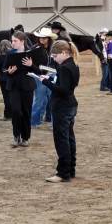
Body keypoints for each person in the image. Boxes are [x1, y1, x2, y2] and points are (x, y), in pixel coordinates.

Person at [39, 40, 80, 183]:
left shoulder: (64, 68)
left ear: (63, 53)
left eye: (55, 56)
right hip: (70, 105)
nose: (54, 59)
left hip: (62, 106)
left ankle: (63, 173)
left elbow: (63, 90)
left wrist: (46, 82)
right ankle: (70, 169)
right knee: (69, 138)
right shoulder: (73, 65)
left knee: (62, 140)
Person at [5, 31, 36, 147]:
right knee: (16, 111)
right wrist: (9, 72)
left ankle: (25, 137)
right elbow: (4, 69)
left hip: (27, 86)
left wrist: (31, 65)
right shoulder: (9, 53)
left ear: (22, 41)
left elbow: (38, 71)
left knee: (26, 112)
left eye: (15, 41)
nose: (12, 43)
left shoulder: (31, 53)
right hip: (13, 86)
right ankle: (16, 135)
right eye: (12, 41)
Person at [30, 27, 57, 128]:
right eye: (41, 37)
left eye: (45, 38)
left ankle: (54, 123)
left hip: (52, 74)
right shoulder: (35, 49)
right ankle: (34, 121)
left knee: (53, 99)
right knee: (39, 99)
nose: (42, 39)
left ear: (49, 38)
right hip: (39, 75)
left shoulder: (55, 48)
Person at [0, 40, 13, 121]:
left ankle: (7, 115)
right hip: (12, 78)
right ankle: (12, 114)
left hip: (3, 79)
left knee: (6, 97)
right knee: (11, 96)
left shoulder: (0, 57)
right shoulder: (12, 55)